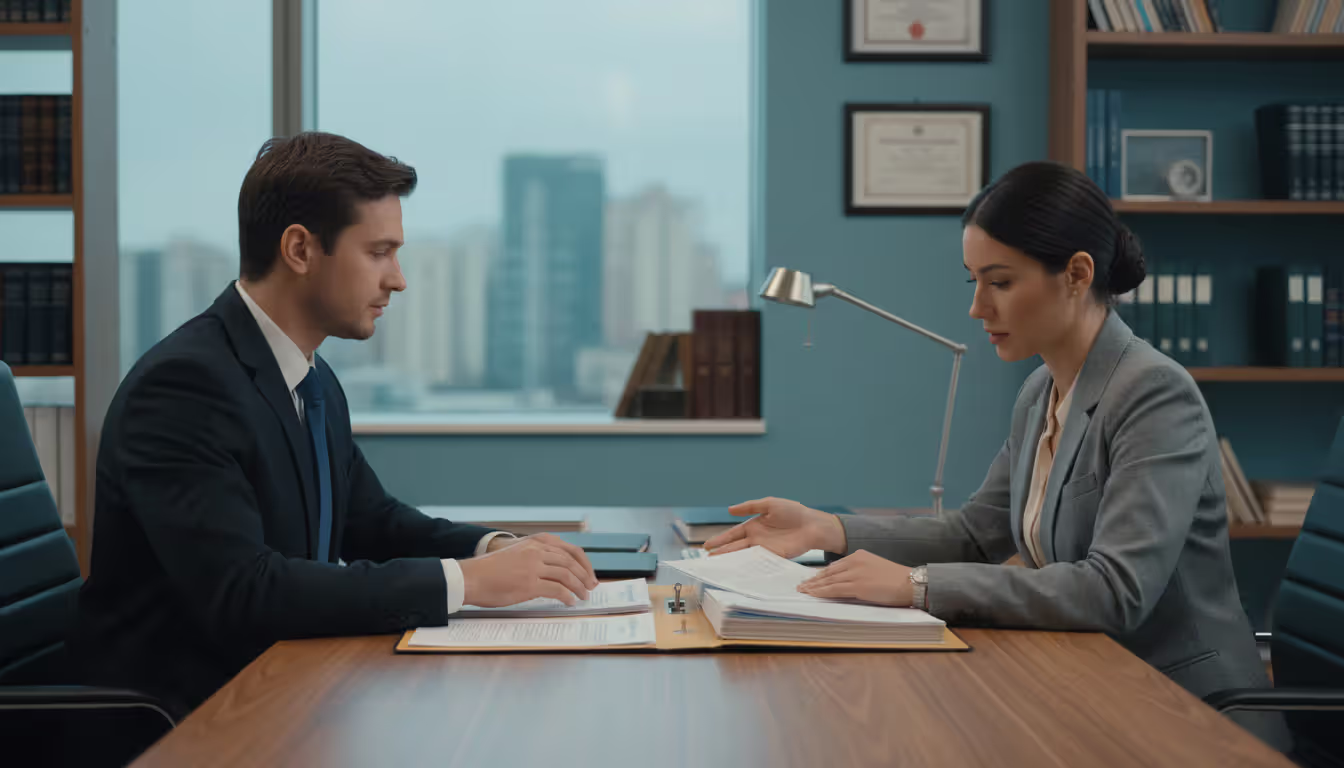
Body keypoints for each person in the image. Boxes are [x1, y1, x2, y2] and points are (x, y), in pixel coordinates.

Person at [705, 160, 1290, 750]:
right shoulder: (1042, 391)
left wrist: (916, 585)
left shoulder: (1154, 394)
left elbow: (1116, 590)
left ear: (1077, 274)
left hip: (1186, 714)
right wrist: (823, 528)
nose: (977, 307)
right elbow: (976, 535)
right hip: (1090, 682)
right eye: (973, 281)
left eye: (1001, 282)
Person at [70, 132, 599, 719]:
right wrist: (468, 583)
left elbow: (371, 521)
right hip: (184, 720)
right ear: (300, 249)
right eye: (378, 252)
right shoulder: (185, 387)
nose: (397, 279)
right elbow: (246, 592)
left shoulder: (311, 379)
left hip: (285, 692)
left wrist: (495, 548)